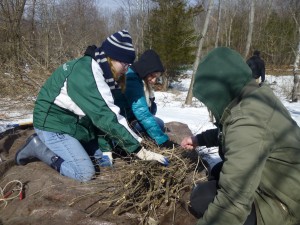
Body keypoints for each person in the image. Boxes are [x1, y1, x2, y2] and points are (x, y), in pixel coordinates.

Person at [15, 30, 169, 182]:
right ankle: (38, 147)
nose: (127, 68)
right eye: (125, 63)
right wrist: (140, 150)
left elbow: (108, 113)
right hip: (52, 124)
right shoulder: (86, 73)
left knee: (100, 156)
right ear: (112, 58)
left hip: (73, 123)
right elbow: (105, 116)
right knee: (85, 173)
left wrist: (107, 148)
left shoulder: (104, 73)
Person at [181, 47, 300, 225]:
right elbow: (230, 132)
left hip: (284, 206)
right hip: (281, 184)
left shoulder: (247, 120)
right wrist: (199, 140)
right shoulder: (255, 97)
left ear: (218, 93)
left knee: (201, 198)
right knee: (216, 171)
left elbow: (232, 202)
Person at [119, 49, 177, 149]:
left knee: (153, 108)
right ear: (145, 69)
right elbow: (142, 113)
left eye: (156, 77)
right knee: (159, 123)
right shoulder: (132, 80)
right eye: (152, 75)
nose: (154, 80)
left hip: (128, 115)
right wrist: (162, 140)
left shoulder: (134, 74)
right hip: (124, 121)